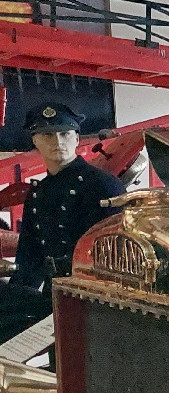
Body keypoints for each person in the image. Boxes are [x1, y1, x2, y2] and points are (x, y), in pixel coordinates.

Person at [0, 103, 127, 343]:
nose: (58, 141)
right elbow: (30, 255)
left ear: (77, 139)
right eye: (47, 135)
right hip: (55, 294)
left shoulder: (102, 185)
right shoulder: (39, 193)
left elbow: (114, 254)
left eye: (65, 134)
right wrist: (16, 297)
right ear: (35, 141)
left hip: (96, 300)